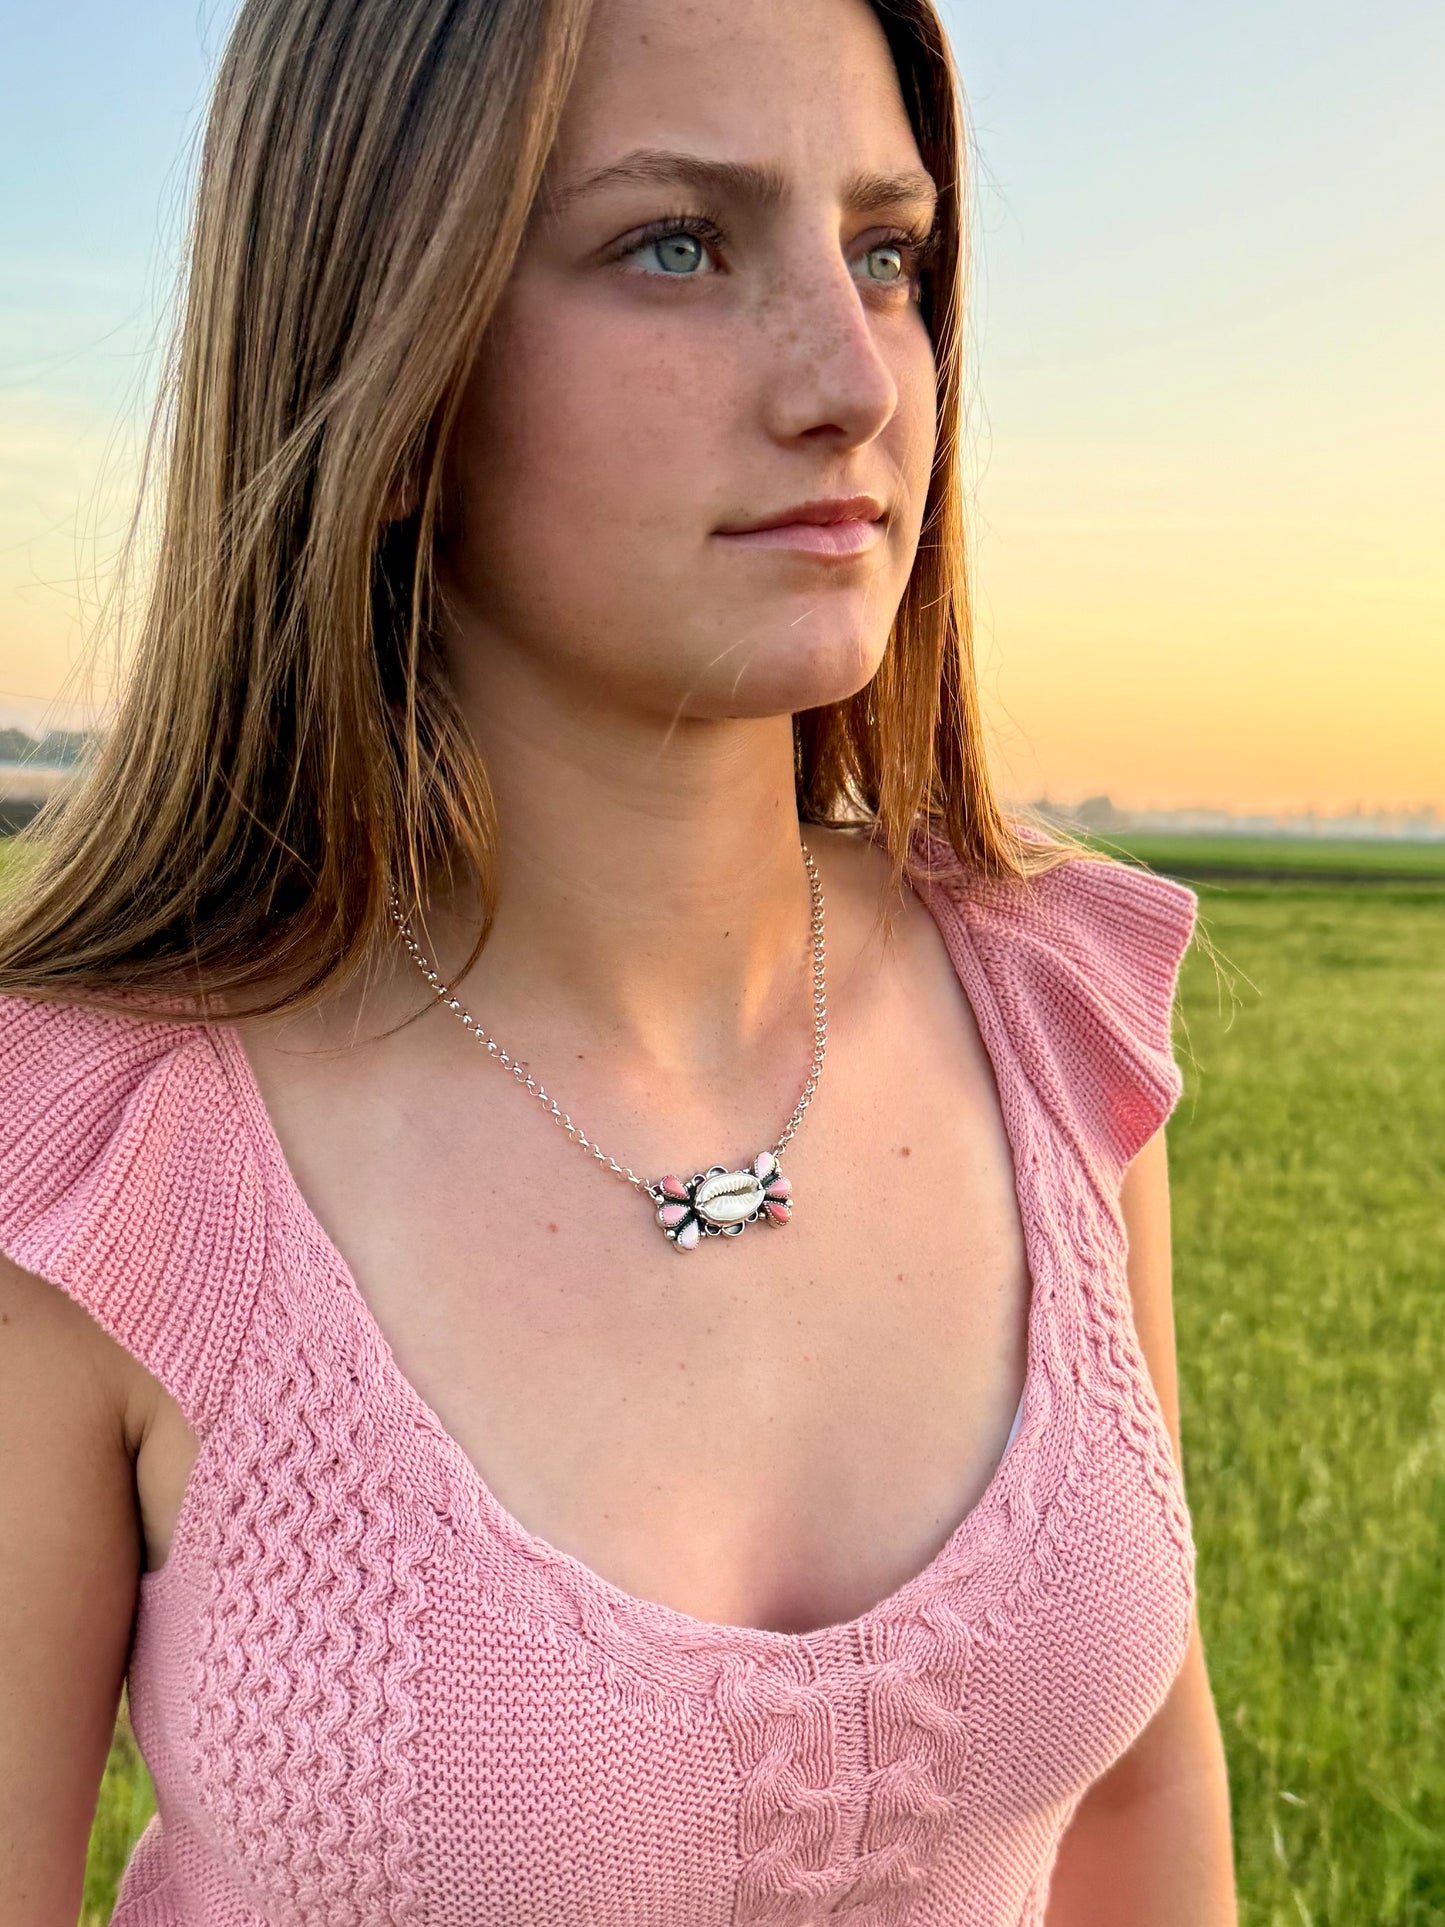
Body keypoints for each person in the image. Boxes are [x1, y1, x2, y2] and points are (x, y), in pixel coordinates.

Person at [0, 0, 1238, 1919]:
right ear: (384, 365)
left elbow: (1144, 1805)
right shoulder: (96, 1162)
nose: (855, 379)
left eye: (886, 252)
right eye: (674, 243)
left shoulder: (1046, 1007)